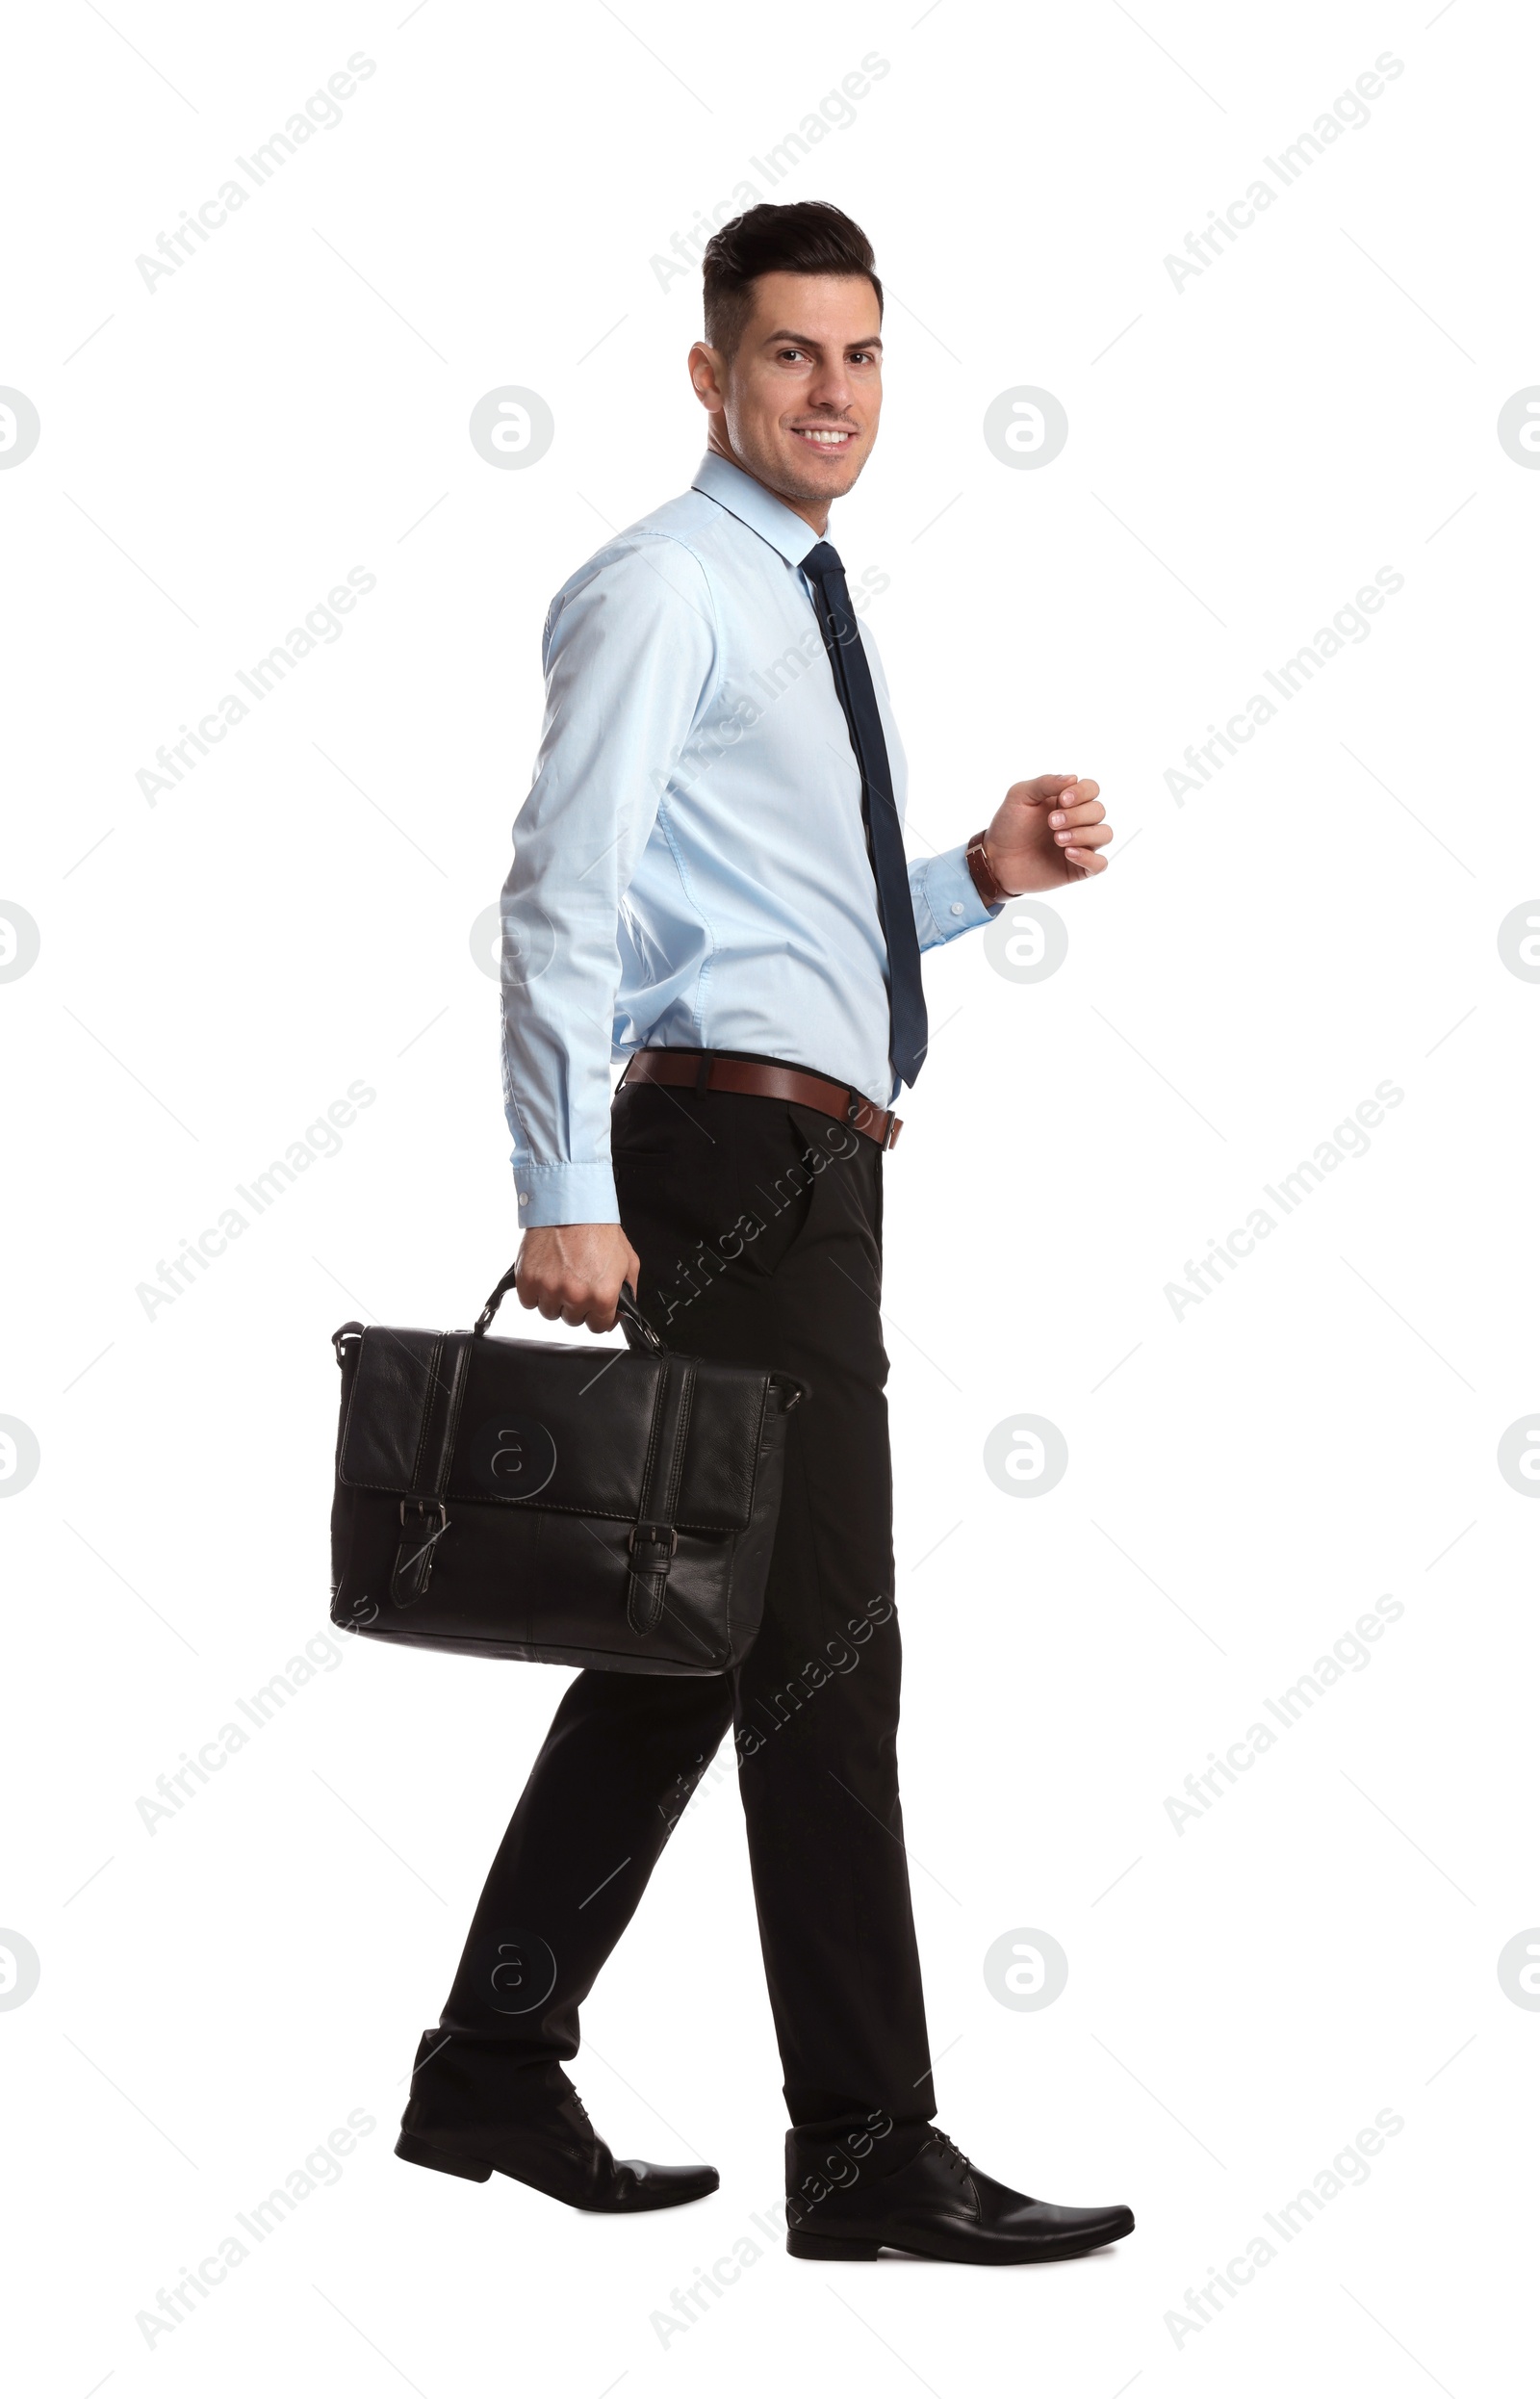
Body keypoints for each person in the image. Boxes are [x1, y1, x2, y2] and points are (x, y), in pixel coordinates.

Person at [397, 200, 1134, 2266]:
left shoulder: (798, 594)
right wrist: (557, 1190)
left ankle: (489, 2060)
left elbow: (774, 923)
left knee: (706, 1637)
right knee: (823, 1652)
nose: (831, 393)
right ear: (708, 374)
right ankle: (867, 2148)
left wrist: (969, 876)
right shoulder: (661, 589)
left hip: (800, 1166)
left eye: (862, 357)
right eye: (790, 355)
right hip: (716, 1176)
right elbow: (563, 896)